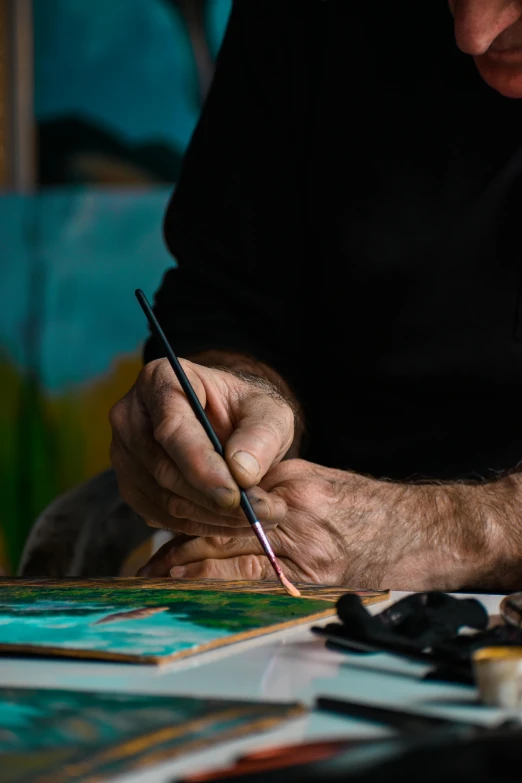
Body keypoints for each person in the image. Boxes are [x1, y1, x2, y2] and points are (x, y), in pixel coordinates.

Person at [109, 0, 522, 591]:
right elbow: (227, 301)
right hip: (303, 591)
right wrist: (237, 399)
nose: (472, 34)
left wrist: (438, 531)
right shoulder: (302, 16)